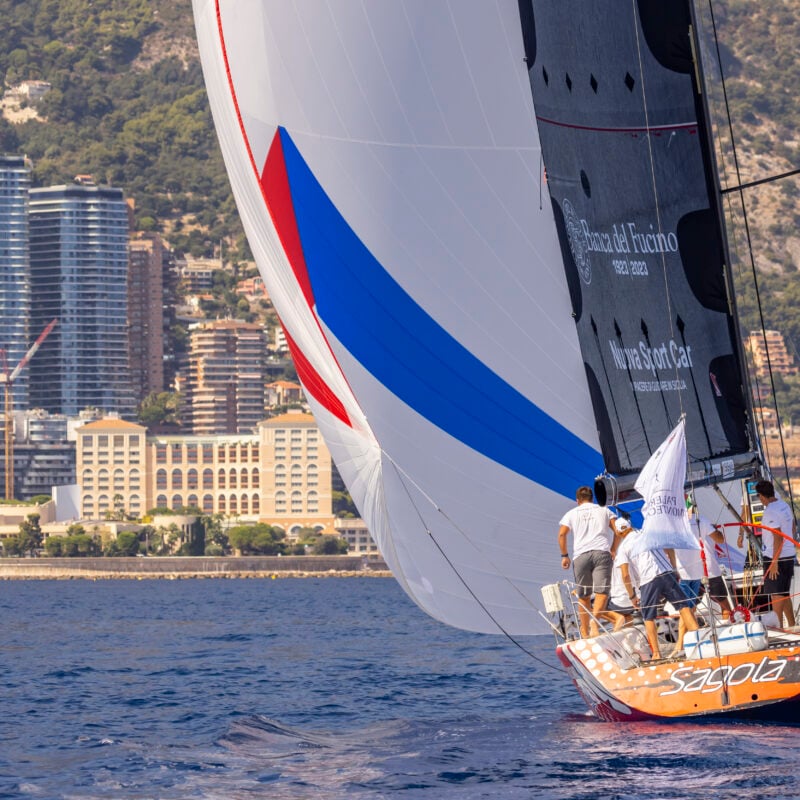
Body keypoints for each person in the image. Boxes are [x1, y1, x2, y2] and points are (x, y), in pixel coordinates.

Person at [616, 534, 699, 660]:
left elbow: (625, 575)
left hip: (648, 580)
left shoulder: (623, 547)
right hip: (666, 572)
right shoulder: (648, 533)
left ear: (618, 532)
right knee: (683, 606)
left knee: (648, 616)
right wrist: (674, 569)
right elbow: (669, 549)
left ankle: (656, 654)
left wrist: (632, 596)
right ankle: (699, 640)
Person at [557, 486, 618, 638]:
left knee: (583, 596)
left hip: (580, 556)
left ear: (577, 501)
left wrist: (564, 555)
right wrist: (613, 549)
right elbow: (618, 531)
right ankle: (594, 622)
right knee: (601, 593)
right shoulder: (604, 510)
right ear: (592, 499)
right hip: (601, 553)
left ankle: (584, 633)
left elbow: (562, 535)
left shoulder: (571, 514)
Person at [751, 479, 796, 627]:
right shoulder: (784, 505)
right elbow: (793, 528)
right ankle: (792, 624)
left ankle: (780, 629)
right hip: (788, 554)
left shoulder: (770, 511)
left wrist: (774, 562)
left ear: (762, 496)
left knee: (776, 595)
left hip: (775, 557)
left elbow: (778, 536)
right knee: (784, 593)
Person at [600, 516, 639, 631]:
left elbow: (625, 576)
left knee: (595, 604)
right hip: (637, 600)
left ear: (619, 533)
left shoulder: (622, 552)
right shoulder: (639, 540)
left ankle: (617, 619)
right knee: (627, 615)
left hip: (625, 601)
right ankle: (629, 636)